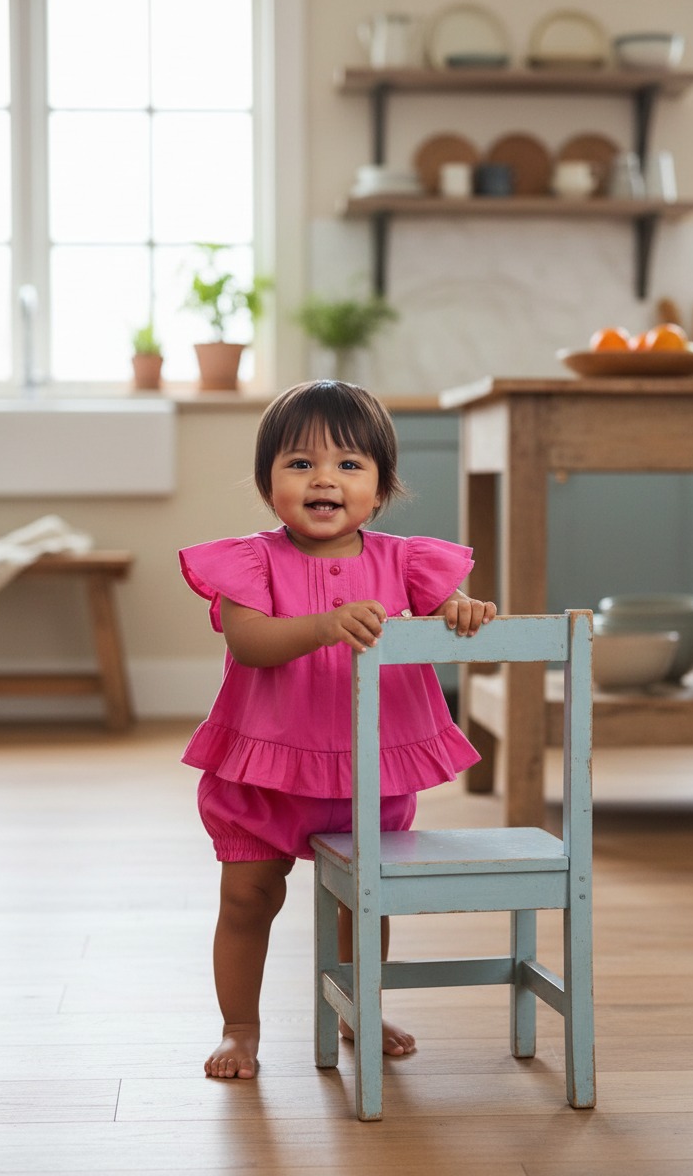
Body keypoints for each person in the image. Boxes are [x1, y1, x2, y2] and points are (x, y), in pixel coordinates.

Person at [179, 379, 497, 1080]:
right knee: (248, 896)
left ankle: (359, 1003)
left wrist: (462, 609)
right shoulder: (253, 562)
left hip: (368, 771)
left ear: (380, 488)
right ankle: (240, 1027)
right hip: (266, 771)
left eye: (350, 464)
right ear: (269, 484)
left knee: (368, 899)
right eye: (300, 463)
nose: (324, 478)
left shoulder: (405, 560)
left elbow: (449, 603)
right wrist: (324, 626)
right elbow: (251, 643)